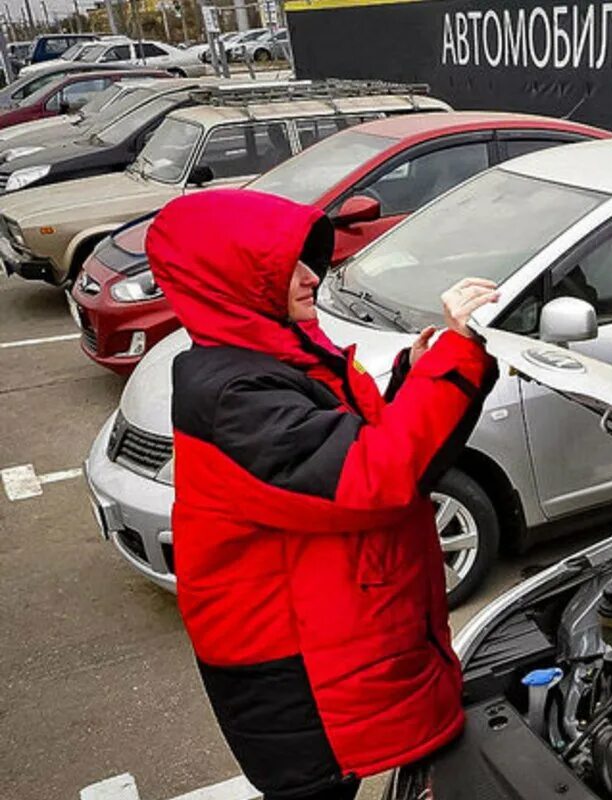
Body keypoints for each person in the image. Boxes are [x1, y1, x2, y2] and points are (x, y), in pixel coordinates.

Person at [146, 188, 500, 800]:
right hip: (295, 681)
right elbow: (373, 475)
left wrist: (411, 375)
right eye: (289, 269)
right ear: (237, 280)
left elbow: (339, 443)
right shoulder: (236, 395)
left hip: (312, 655)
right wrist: (455, 357)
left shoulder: (266, 356)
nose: (313, 277)